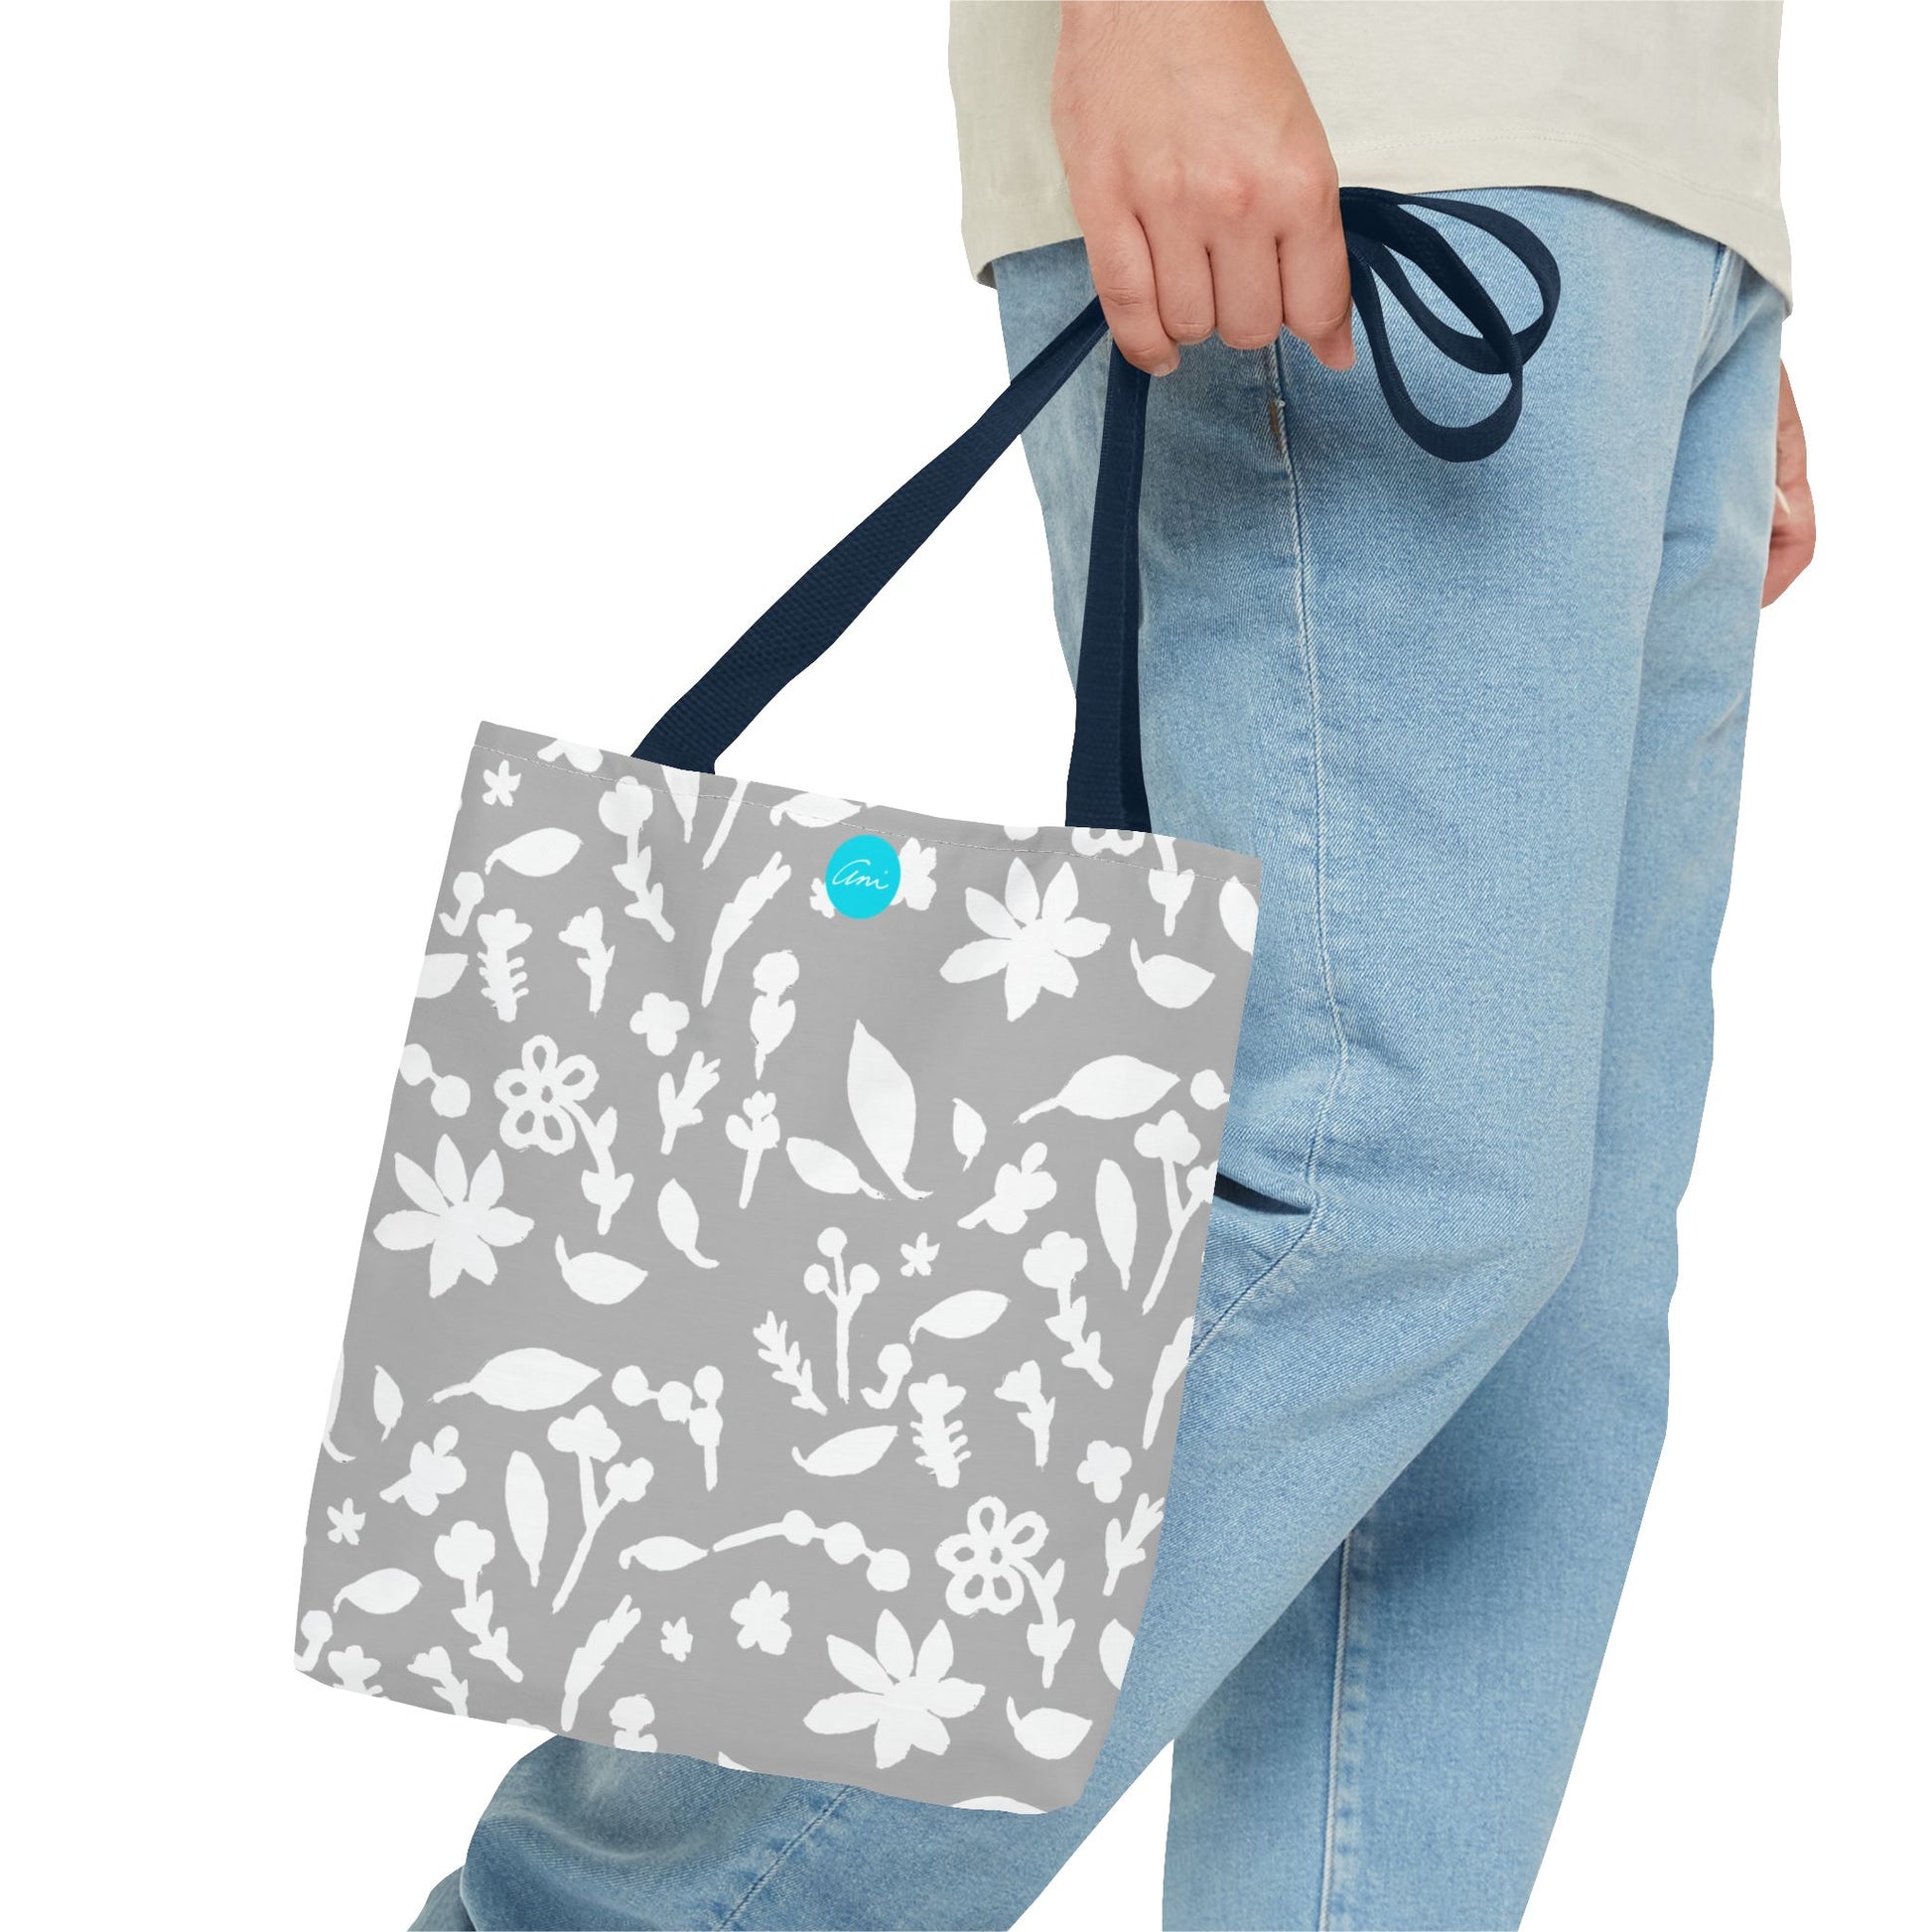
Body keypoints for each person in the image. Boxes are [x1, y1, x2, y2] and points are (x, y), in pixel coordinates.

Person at [412, 4, 1814, 1926]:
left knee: (1533, 1351)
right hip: (1363, 113)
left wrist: (1699, 236)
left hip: (1641, 191)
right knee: (1371, 1189)